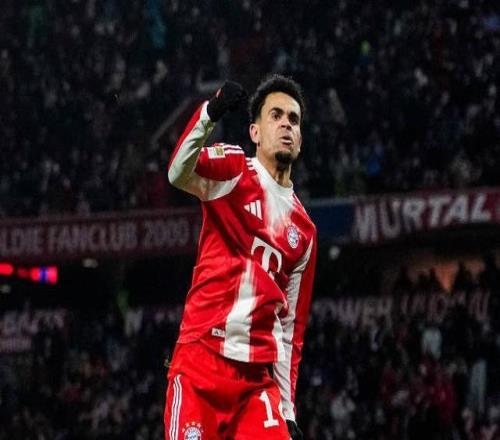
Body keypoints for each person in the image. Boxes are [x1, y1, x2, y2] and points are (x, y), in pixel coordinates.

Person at [164, 74, 317, 440]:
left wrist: (287, 410)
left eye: (293, 120)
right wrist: (210, 112)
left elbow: (290, 329)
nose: (286, 124)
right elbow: (177, 173)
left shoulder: (304, 232)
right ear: (255, 132)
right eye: (276, 116)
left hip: (255, 384)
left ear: (300, 139)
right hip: (201, 364)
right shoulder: (234, 171)